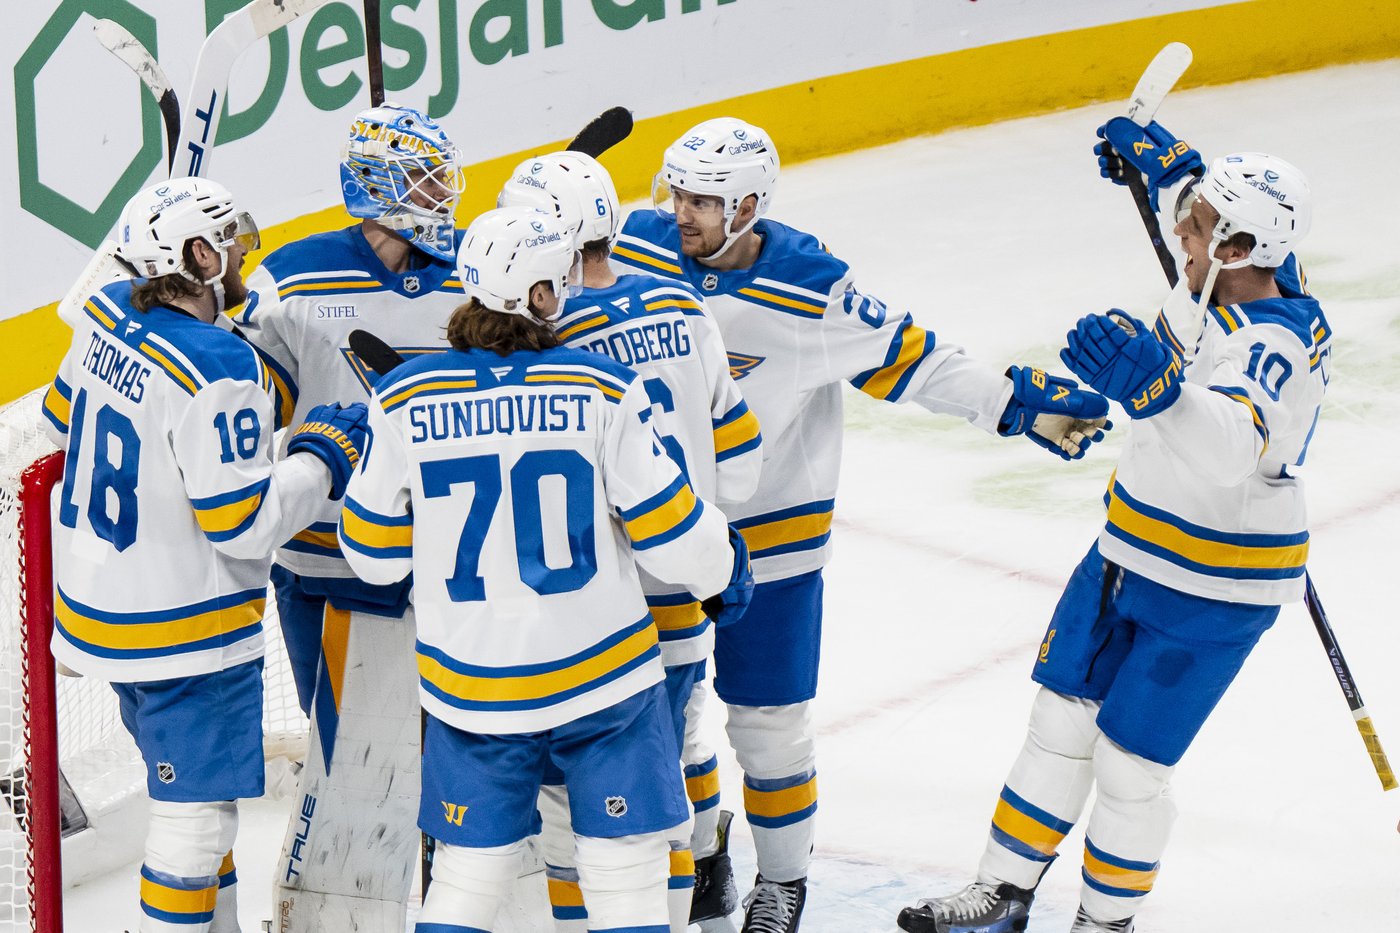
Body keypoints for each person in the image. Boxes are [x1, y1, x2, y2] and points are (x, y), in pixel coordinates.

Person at [613, 117, 1113, 932]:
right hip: (661, 534)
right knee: (665, 706)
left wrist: (1015, 409)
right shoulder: (633, 246)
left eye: (704, 200)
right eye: (677, 192)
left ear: (747, 205)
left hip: (772, 540)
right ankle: (703, 853)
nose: (682, 212)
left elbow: (915, 358)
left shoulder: (808, 284)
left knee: (768, 728)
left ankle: (782, 882)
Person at [896, 132, 1329, 933]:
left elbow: (1232, 445)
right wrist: (1172, 172)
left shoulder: (1280, 343)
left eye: (1196, 228)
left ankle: (1103, 924)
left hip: (1213, 589)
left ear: (1237, 247)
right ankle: (1000, 894)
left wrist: (1160, 392)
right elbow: (1216, 226)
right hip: (1126, 552)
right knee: (1059, 723)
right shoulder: (1219, 280)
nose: (1180, 235)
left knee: (1130, 767)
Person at [337, 205, 755, 933]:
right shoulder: (602, 388)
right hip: (604, 683)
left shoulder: (401, 399)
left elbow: (371, 559)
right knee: (626, 882)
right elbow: (672, 534)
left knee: (466, 882)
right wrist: (725, 569)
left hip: (471, 685)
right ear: (539, 295)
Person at [40, 176, 366, 933]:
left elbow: (60, 423)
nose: (238, 258)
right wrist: (323, 455)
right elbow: (245, 524)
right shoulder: (220, 365)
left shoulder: (103, 317)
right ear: (196, 254)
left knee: (183, 801)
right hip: (189, 637)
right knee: (197, 826)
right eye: (226, 245)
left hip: (101, 619)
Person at [498, 151, 763, 931]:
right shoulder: (684, 305)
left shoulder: (547, 338)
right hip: (687, 587)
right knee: (678, 754)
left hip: (596, 612)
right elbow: (742, 471)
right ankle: (710, 906)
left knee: (581, 804)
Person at [235, 102, 467, 927]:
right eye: (428, 178)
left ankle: (449, 881)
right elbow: (247, 404)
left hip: (443, 559)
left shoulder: (477, 271)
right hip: (321, 564)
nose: (447, 192)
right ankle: (348, 900)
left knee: (457, 741)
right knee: (346, 749)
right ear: (379, 188)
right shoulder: (290, 280)